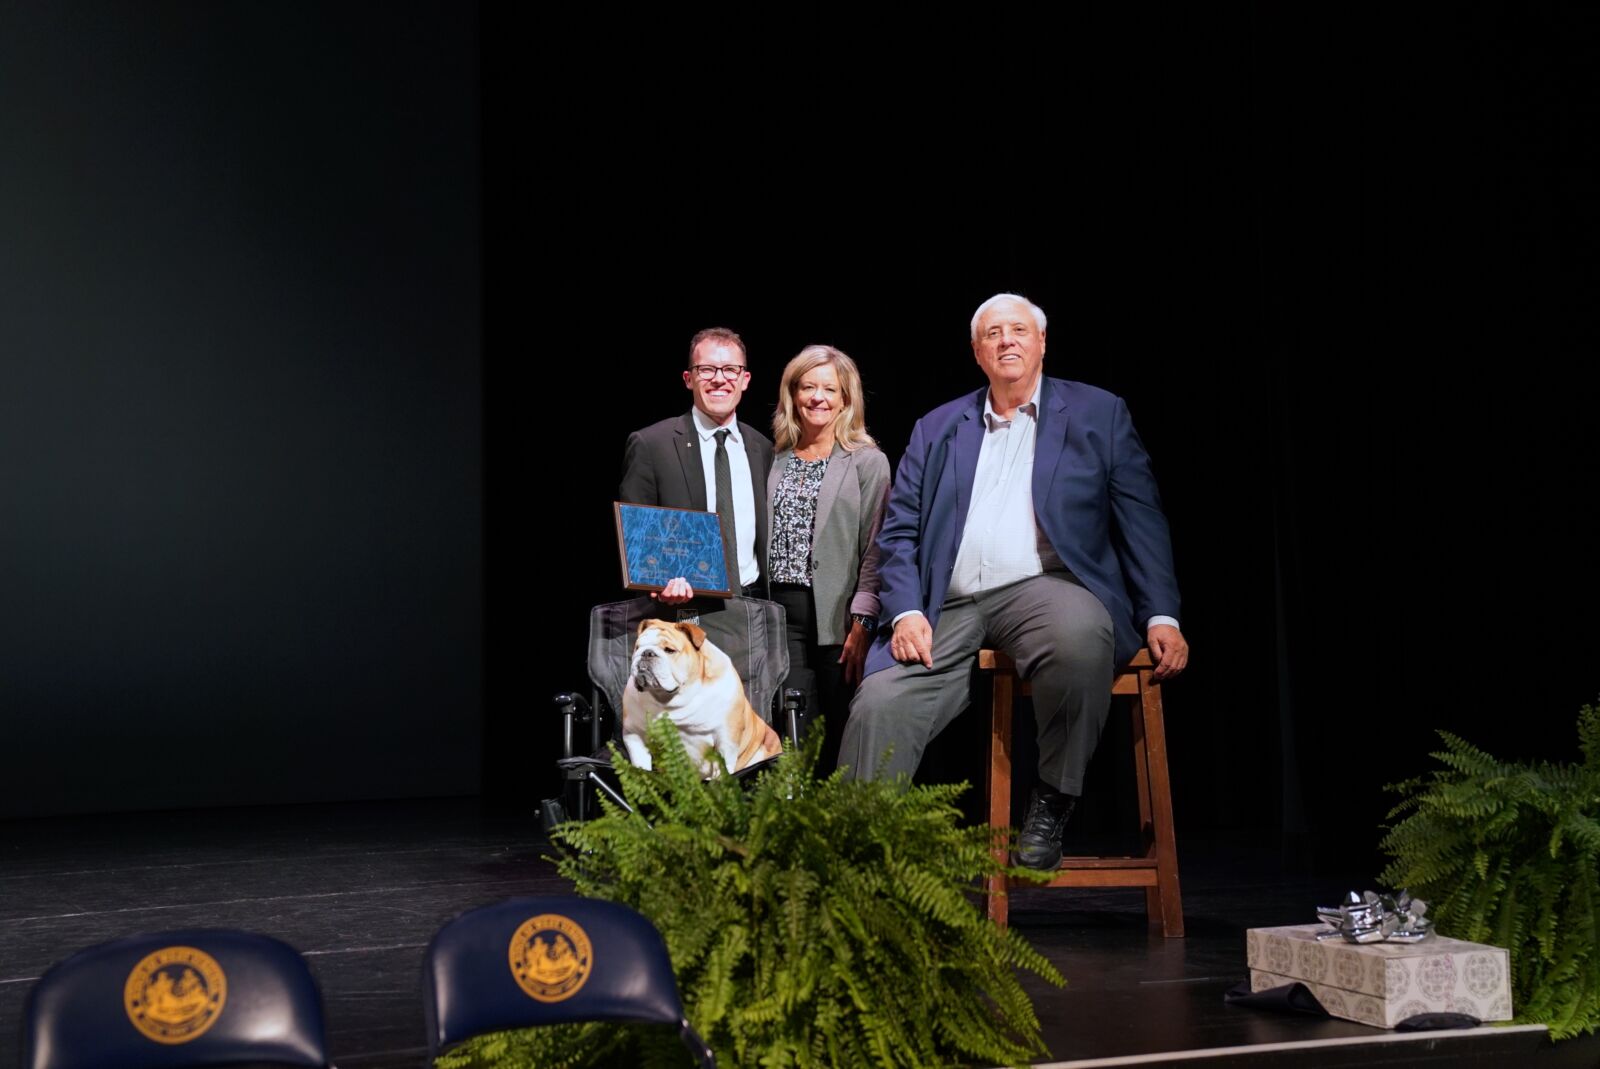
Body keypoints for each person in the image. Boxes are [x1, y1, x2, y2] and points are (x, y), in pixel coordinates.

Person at [837, 293, 1189, 869]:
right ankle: (852, 859)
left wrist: (1161, 614)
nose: (1007, 341)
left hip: (1042, 587)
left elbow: (1140, 519)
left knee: (1081, 636)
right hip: (946, 601)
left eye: (1019, 330)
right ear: (977, 352)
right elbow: (898, 533)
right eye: (993, 334)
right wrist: (904, 611)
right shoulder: (937, 427)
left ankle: (1053, 798)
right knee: (880, 700)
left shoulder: (1099, 413)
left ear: (1042, 342)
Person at [765, 345, 891, 763]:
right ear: (793, 394)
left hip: (838, 618)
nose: (817, 397)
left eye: (829, 389)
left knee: (840, 730)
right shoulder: (773, 458)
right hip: (779, 618)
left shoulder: (867, 463)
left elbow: (877, 547)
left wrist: (863, 620)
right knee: (795, 734)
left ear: (845, 399)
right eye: (807, 387)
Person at [619, 327, 773, 604]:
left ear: (745, 379)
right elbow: (637, 539)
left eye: (730, 370)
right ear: (688, 379)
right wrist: (655, 584)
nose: (719, 379)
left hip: (753, 608)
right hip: (682, 612)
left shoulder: (762, 448)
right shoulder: (652, 444)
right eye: (706, 369)